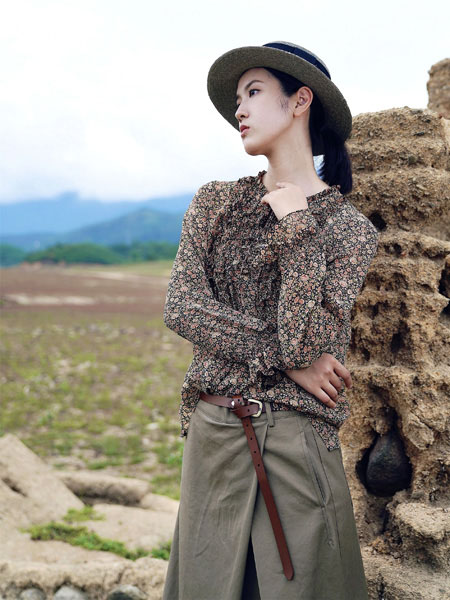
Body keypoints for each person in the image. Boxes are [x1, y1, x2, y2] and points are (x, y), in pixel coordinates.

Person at [162, 41, 379, 600]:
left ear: (300, 101)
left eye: (253, 92)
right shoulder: (215, 203)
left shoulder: (350, 231)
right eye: (238, 98)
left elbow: (308, 342)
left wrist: (297, 228)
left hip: (297, 442)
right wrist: (285, 361)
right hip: (215, 434)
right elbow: (182, 306)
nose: (240, 109)